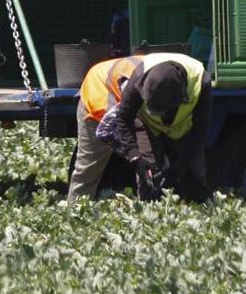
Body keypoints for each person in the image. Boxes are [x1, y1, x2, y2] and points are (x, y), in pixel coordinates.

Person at [96, 53, 212, 203]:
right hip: (148, 124)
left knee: (194, 172)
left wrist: (182, 164)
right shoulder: (139, 78)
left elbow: (200, 129)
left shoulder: (201, 81)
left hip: (183, 128)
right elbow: (123, 118)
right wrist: (135, 157)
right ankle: (149, 208)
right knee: (149, 172)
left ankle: (199, 205)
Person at [66, 54, 144, 201]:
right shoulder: (135, 91)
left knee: (147, 158)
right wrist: (134, 155)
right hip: (98, 97)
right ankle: (76, 209)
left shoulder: (177, 80)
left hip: (125, 85)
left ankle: (149, 205)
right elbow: (106, 131)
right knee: (89, 166)